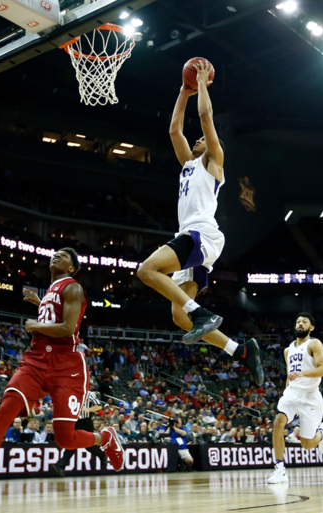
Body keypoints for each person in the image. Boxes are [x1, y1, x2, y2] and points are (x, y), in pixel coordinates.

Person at [0, 248, 124, 505]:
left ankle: (105, 437)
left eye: (64, 256)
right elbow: (55, 315)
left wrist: (35, 324)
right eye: (56, 253)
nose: (57, 256)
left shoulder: (74, 288)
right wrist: (40, 304)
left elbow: (67, 329)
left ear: (72, 268)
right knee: (5, 410)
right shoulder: (51, 291)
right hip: (37, 359)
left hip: (67, 366)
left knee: (65, 438)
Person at [136, 60, 263, 386]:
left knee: (147, 271)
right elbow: (174, 130)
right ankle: (241, 350)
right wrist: (183, 91)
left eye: (202, 140)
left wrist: (203, 83)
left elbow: (206, 118)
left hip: (201, 233)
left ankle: (203, 315)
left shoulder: (215, 162)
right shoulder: (189, 165)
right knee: (181, 316)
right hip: (191, 236)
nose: (197, 140)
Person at [267, 313, 323, 484]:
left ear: (312, 327)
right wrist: (287, 391)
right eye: (298, 322)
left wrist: (302, 373)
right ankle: (280, 469)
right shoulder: (288, 350)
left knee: (307, 444)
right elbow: (290, 375)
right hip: (292, 393)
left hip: (310, 395)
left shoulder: (314, 343)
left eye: (304, 322)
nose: (300, 324)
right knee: (278, 421)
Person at [50, 390, 109, 476]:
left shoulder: (89, 394)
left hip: (85, 422)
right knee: (71, 443)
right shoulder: (70, 393)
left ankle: (102, 454)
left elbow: (99, 406)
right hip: (74, 421)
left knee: (89, 445)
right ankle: (60, 466)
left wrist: (88, 409)